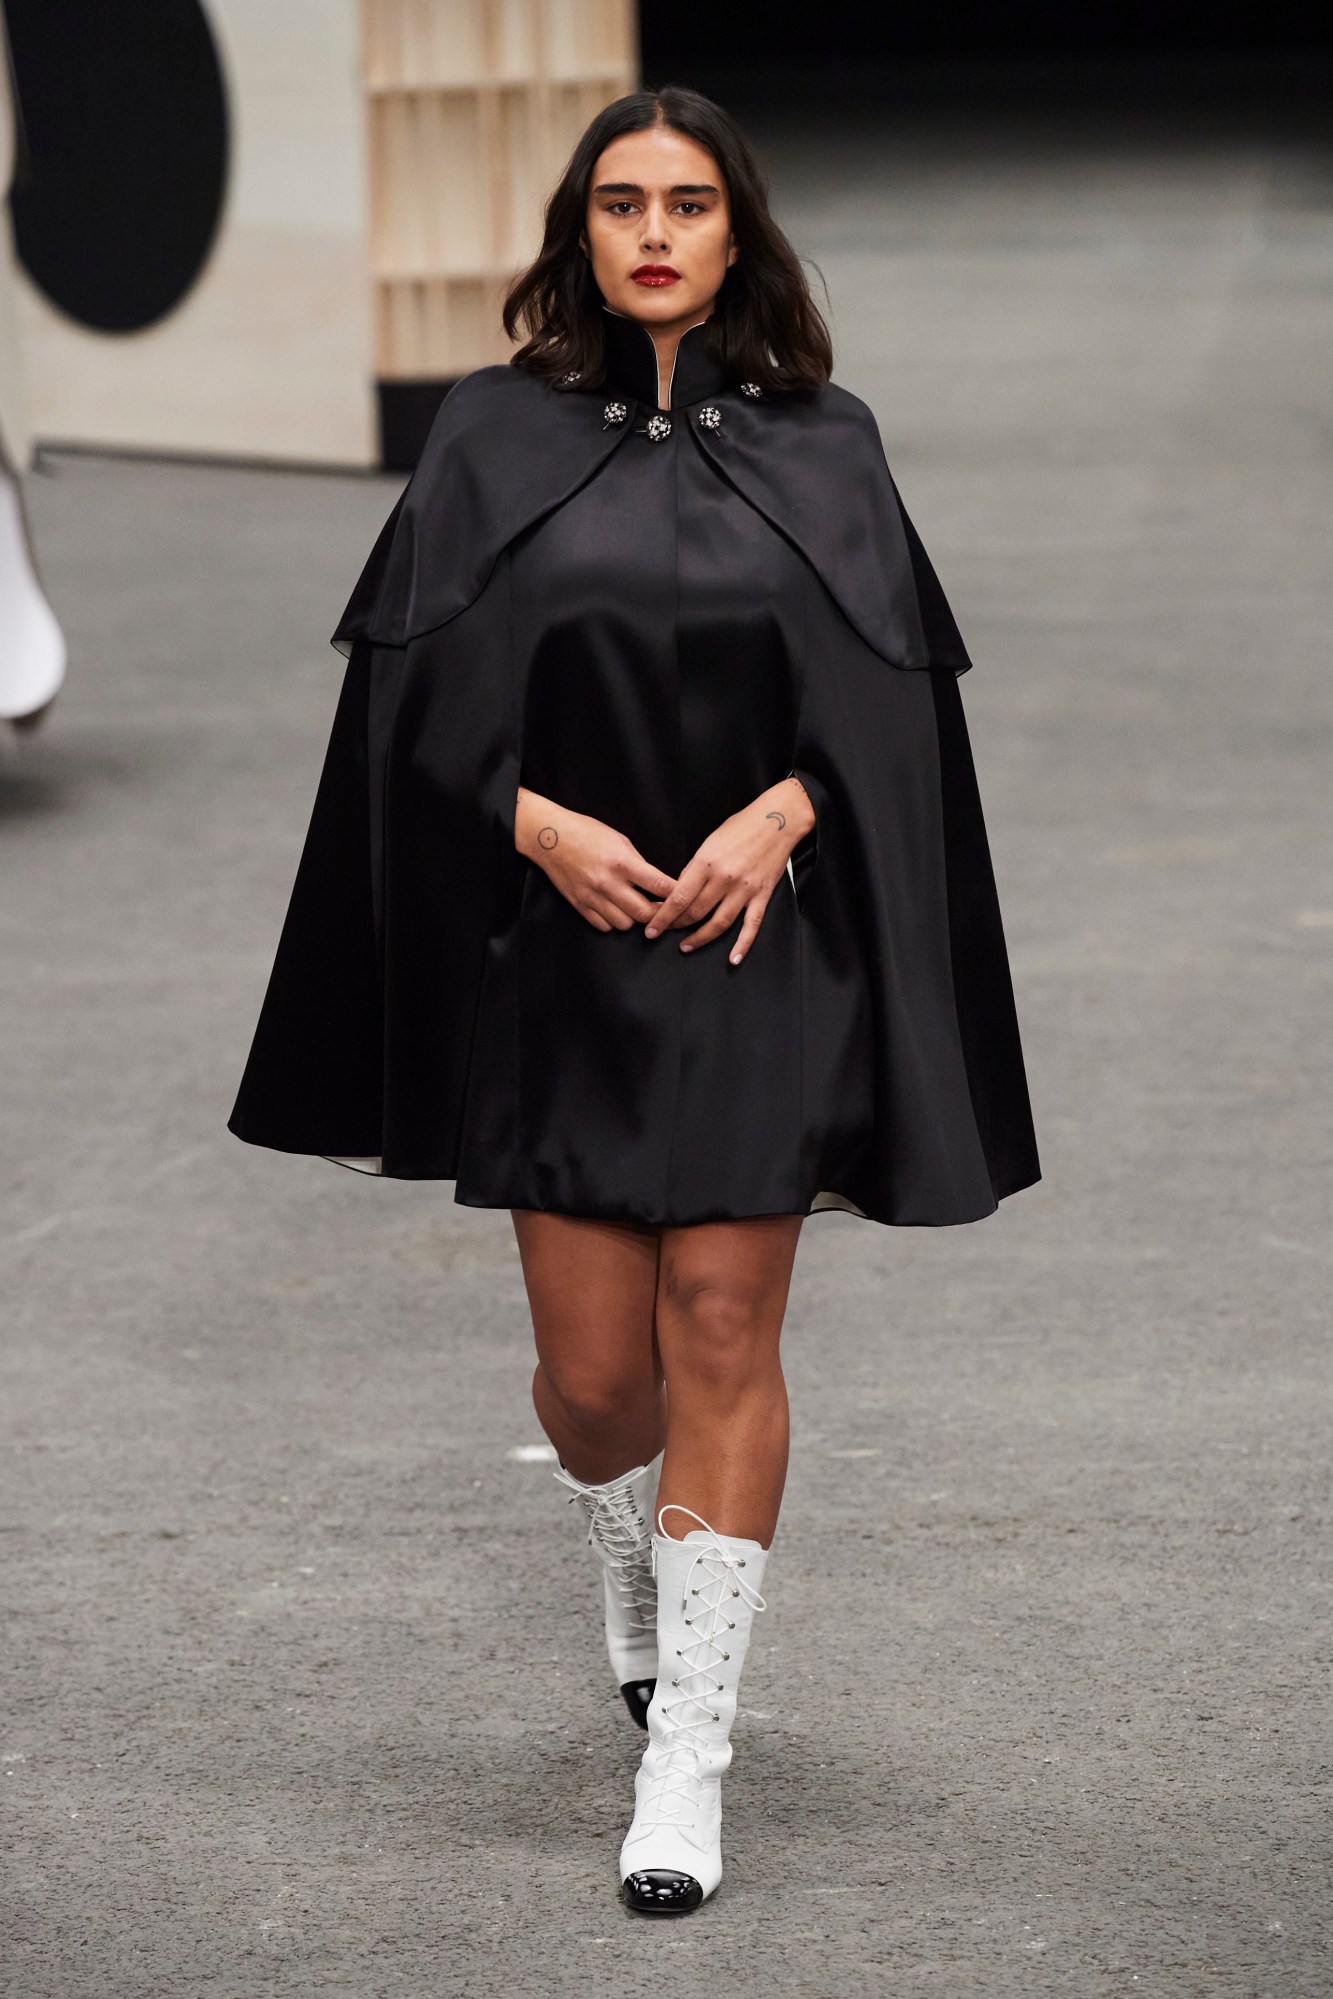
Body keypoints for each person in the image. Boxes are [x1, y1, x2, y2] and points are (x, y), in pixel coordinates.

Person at [228, 85, 1039, 1916]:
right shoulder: (489, 440)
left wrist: (784, 810)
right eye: (619, 204)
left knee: (723, 1330)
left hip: (765, 941)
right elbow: (404, 709)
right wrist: (532, 823)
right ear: (576, 236)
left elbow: (895, 703)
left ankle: (690, 1755)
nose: (654, 232)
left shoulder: (831, 445)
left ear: (735, 232)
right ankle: (622, 1537)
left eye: (687, 203)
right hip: (561, 949)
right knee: (601, 1389)